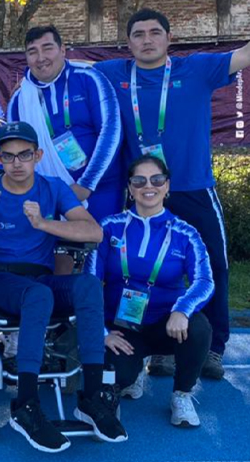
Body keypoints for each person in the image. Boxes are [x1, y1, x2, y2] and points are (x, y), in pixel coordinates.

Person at [93, 0, 250, 379]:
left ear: (169, 38)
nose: (146, 40)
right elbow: (66, 68)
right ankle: (158, 347)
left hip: (193, 189)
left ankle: (213, 348)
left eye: (154, 33)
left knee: (214, 266)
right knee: (139, 270)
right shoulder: (112, 73)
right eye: (138, 34)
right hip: (142, 192)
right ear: (128, 43)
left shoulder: (196, 69)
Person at [0, 121, 126, 453]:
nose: (17, 163)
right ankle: (25, 404)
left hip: (39, 278)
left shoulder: (52, 187)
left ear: (37, 156)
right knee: (38, 294)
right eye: (8, 156)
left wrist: (43, 223)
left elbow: (94, 232)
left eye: (24, 155)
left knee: (88, 285)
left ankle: (92, 397)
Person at [89, 155, 214, 427]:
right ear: (130, 188)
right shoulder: (108, 227)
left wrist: (182, 310)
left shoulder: (185, 232)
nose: (149, 186)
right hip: (122, 328)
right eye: (139, 180)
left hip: (166, 325)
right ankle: (132, 374)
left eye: (157, 180)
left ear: (167, 186)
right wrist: (102, 332)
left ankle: (182, 394)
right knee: (114, 376)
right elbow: (89, 283)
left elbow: (205, 281)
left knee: (199, 327)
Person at [7, 25, 123, 221]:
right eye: (32, 52)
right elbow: (15, 150)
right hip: (49, 195)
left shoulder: (89, 78)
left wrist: (87, 184)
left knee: (102, 239)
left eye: (47, 48)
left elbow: (111, 131)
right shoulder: (20, 99)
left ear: (62, 50)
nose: (40, 58)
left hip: (101, 188)